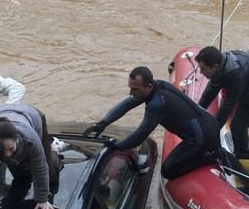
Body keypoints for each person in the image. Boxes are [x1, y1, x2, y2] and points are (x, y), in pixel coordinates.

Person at [83, 66, 220, 180]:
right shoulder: (157, 85)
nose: (131, 92)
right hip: (210, 124)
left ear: (148, 86)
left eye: (135, 89)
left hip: (201, 139)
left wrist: (116, 146)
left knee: (167, 170)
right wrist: (103, 123)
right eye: (130, 87)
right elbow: (127, 104)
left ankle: (211, 156)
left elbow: (140, 136)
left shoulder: (156, 105)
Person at [0, 104, 60, 209]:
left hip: (33, 116)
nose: (7, 154)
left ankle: (54, 148)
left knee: (50, 173)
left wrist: (42, 199)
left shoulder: (30, 137)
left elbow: (40, 168)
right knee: (21, 175)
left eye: (10, 149)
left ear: (16, 140)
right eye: (2, 150)